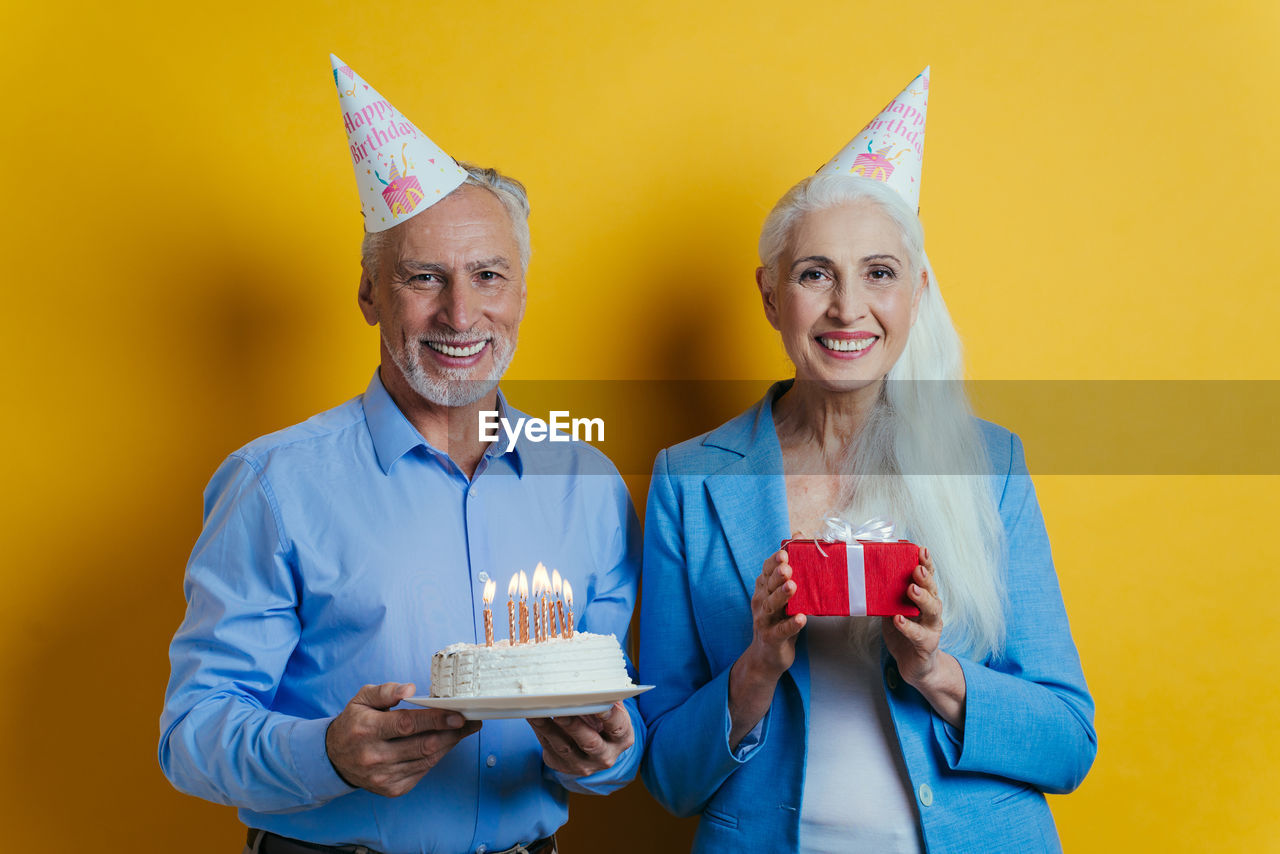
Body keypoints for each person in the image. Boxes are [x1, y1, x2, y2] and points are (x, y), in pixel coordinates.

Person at [160, 57, 642, 854]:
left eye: (488, 276)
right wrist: (327, 756)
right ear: (369, 293)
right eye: (424, 277)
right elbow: (189, 733)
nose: (461, 314)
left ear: (521, 292)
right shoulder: (274, 485)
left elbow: (627, 733)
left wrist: (606, 757)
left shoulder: (584, 485)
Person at [638, 69, 1096, 853]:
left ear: (916, 291)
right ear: (770, 294)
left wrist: (935, 671)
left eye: (878, 274)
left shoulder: (989, 466)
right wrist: (758, 665)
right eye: (816, 274)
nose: (848, 309)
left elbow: (1068, 742)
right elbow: (671, 779)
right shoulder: (689, 481)